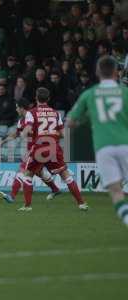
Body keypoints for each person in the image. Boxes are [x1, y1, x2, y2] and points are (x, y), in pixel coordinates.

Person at [67, 56, 128, 227]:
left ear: (97, 72)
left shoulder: (89, 94)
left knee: (116, 191)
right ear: (117, 72)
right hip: (125, 144)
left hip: (103, 148)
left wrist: (86, 118)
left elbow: (70, 123)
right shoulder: (125, 93)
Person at [19, 88, 88, 211]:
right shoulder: (56, 113)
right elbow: (63, 134)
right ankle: (81, 203)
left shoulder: (31, 112)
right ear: (48, 99)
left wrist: (23, 133)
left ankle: (27, 206)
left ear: (36, 98)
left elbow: (28, 128)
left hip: (39, 147)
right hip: (53, 147)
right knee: (66, 175)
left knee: (28, 175)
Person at [0, 97, 61, 203]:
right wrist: (2, 142)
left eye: (17, 107)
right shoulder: (21, 121)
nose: (16, 110)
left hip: (38, 150)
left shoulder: (34, 117)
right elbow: (15, 134)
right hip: (35, 150)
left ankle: (12, 196)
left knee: (22, 170)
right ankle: (55, 189)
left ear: (22, 108)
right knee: (39, 172)